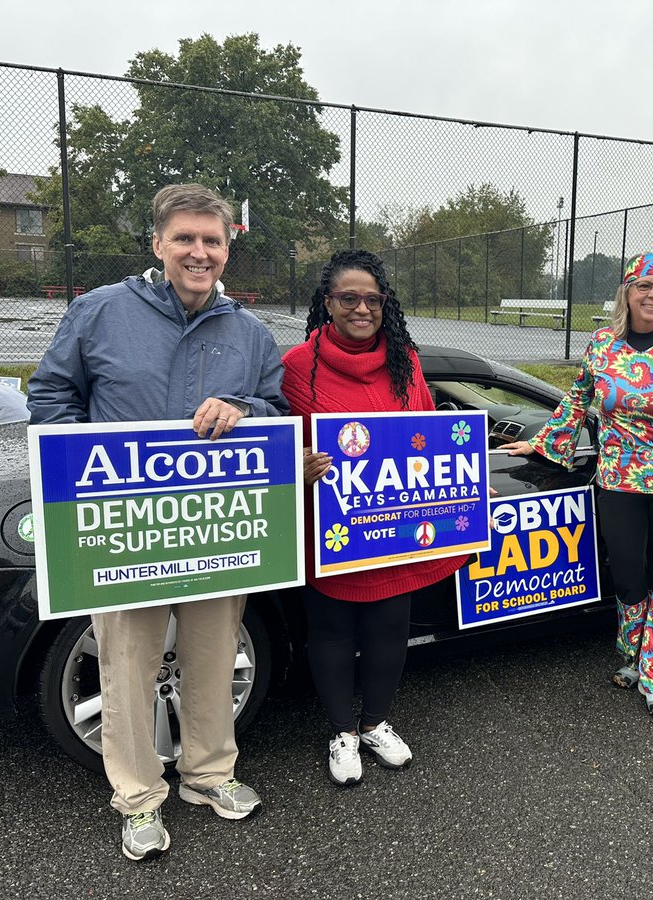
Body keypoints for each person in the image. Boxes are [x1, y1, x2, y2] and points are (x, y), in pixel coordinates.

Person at [27, 184, 287, 861]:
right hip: (126, 532)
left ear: (229, 248)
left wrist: (245, 413)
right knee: (127, 668)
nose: (199, 252)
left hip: (215, 530)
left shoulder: (251, 333)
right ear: (157, 245)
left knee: (211, 658)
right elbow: (50, 395)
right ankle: (138, 799)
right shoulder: (99, 312)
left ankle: (208, 775)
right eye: (186, 239)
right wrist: (87, 461)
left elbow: (274, 409)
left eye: (213, 241)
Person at [502, 252, 653, 717]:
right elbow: (579, 398)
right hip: (618, 479)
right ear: (627, 293)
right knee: (626, 572)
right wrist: (539, 442)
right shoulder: (602, 344)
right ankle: (633, 654)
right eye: (644, 285)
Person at [281, 249, 467, 786]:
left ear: (385, 304)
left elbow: (426, 434)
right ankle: (341, 731)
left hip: (395, 526)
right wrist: (299, 464)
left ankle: (375, 723)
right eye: (348, 298)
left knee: (391, 630)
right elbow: (277, 443)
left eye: (372, 299)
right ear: (328, 303)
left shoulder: (406, 360)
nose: (362, 308)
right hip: (333, 528)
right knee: (332, 631)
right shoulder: (297, 367)